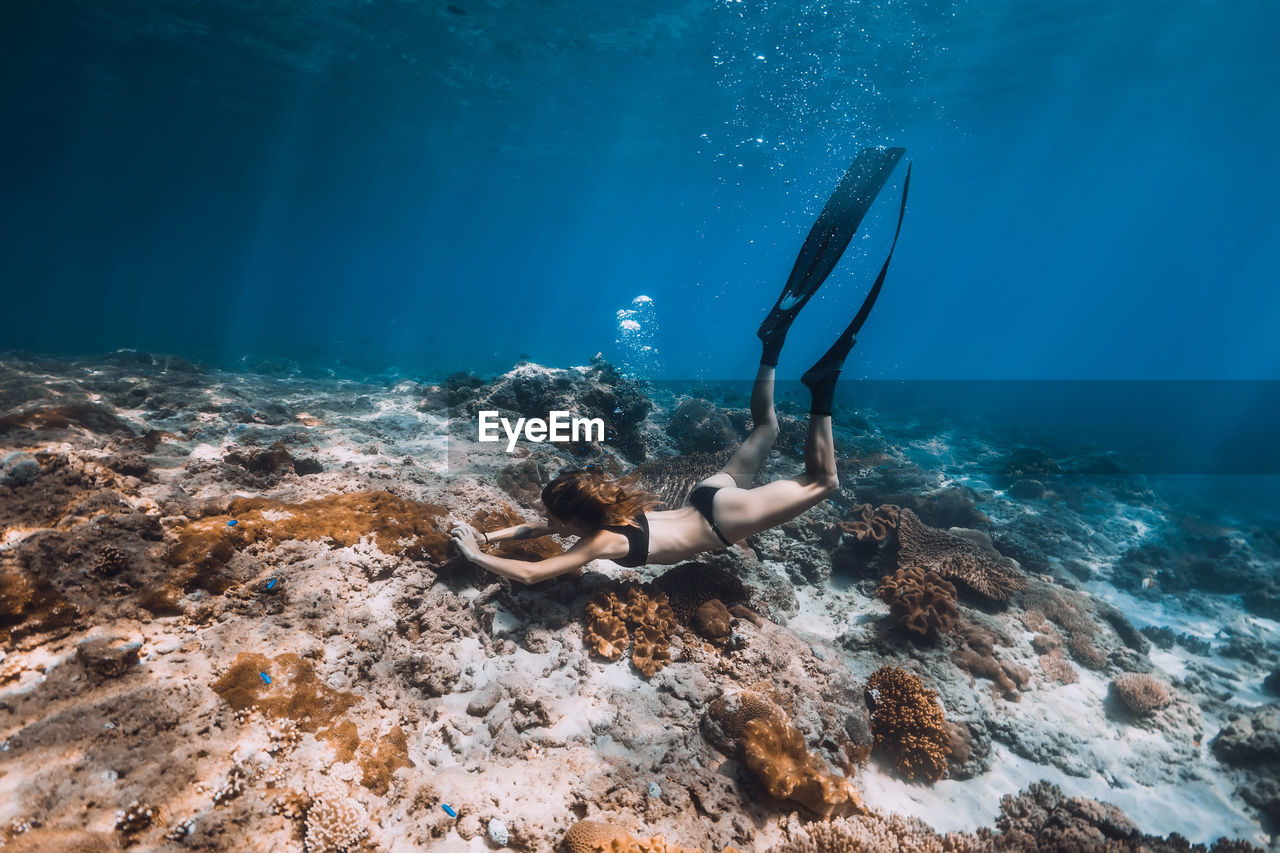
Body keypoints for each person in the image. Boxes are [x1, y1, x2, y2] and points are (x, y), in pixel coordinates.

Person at [451, 148, 911, 585]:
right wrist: (486, 537)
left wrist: (475, 555)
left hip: (718, 514)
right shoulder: (604, 514)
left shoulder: (600, 539)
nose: (547, 519)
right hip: (709, 498)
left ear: (575, 519)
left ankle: (821, 386)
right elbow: (538, 530)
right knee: (766, 429)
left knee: (822, 480)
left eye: (554, 515)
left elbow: (534, 572)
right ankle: (771, 347)